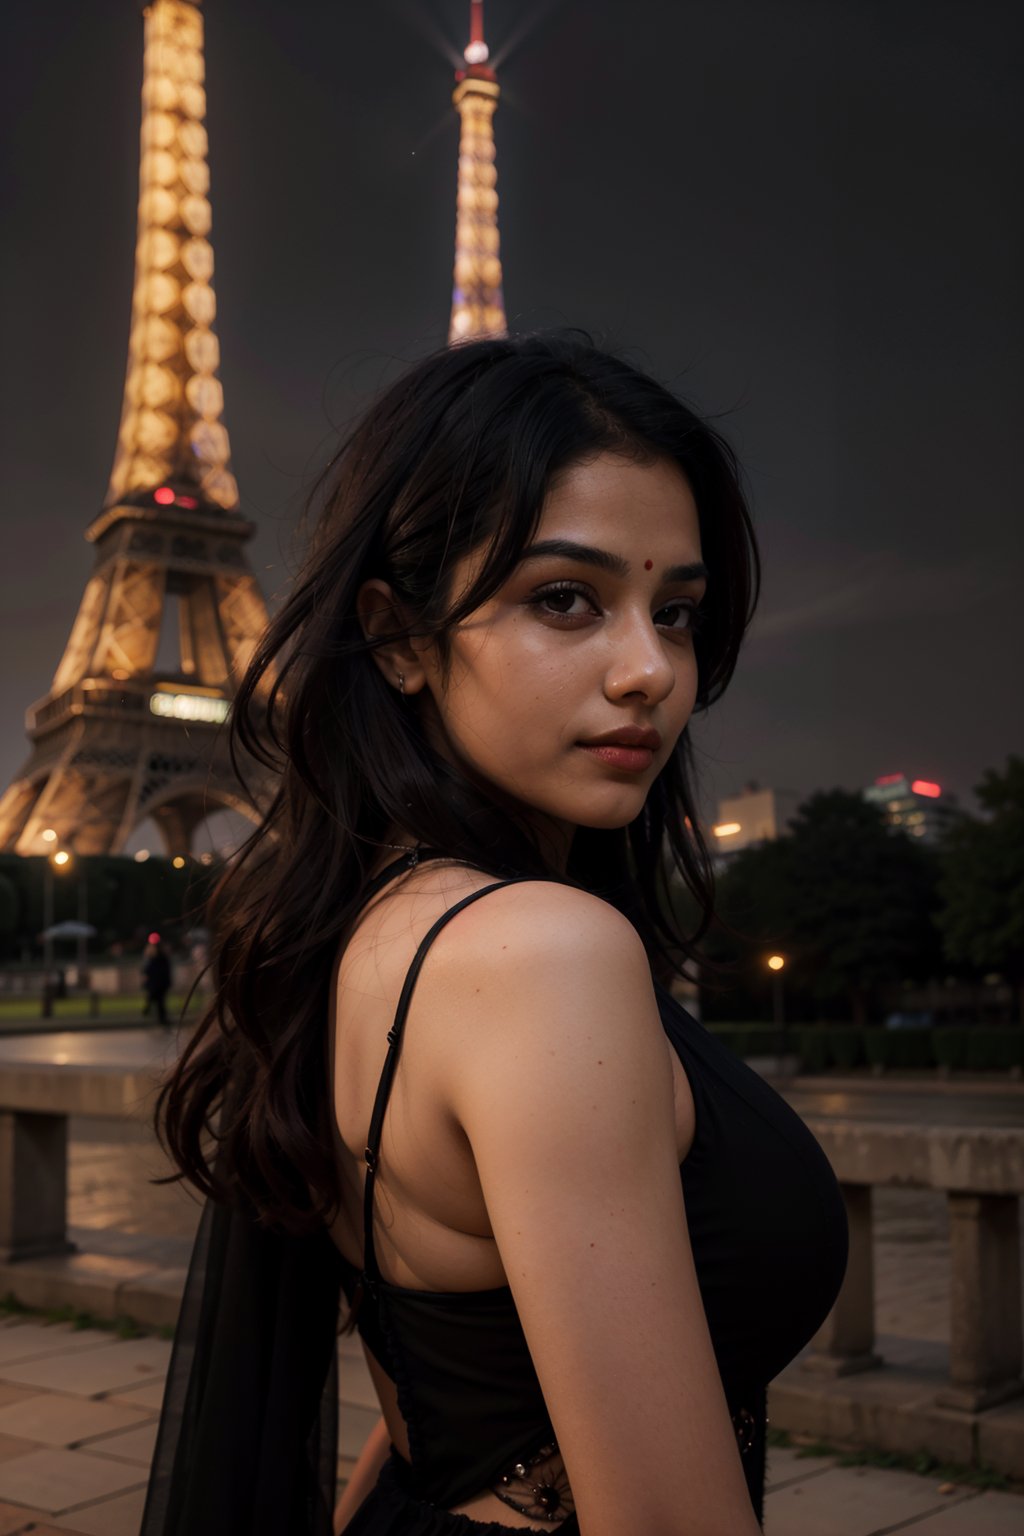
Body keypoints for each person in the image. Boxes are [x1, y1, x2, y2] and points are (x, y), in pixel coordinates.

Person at [141, 332, 848, 1536]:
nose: (648, 672)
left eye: (675, 612)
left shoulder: (380, 926)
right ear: (402, 637)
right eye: (565, 599)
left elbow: (439, 1397)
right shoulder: (543, 957)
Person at [141, 935, 172, 1027]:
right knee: (159, 1001)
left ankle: (151, 1012)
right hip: (158, 982)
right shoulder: (158, 956)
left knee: (157, 1000)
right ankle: (161, 1018)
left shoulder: (153, 956)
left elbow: (147, 970)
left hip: (157, 982)